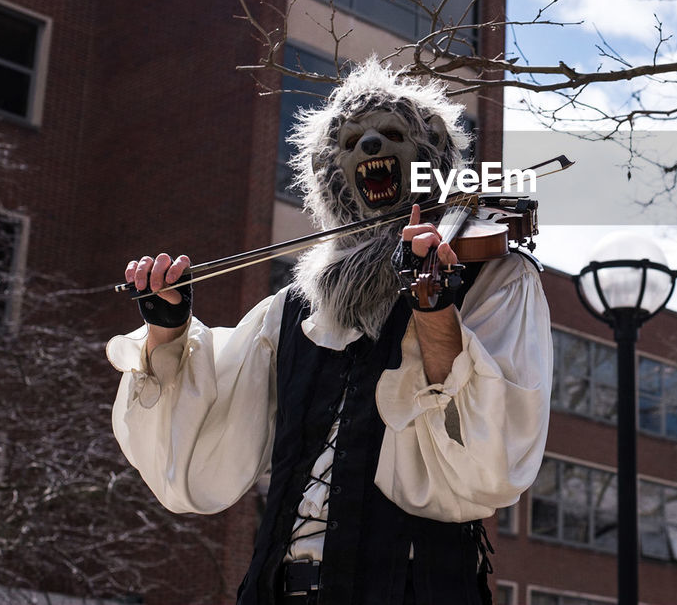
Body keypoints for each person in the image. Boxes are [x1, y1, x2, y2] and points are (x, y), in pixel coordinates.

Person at [107, 60, 552, 605]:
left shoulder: (490, 276)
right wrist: (167, 335)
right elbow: (195, 457)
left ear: (430, 156)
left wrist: (433, 305)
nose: (369, 144)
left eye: (392, 134)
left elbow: (487, 462)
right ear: (331, 172)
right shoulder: (291, 309)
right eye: (349, 141)